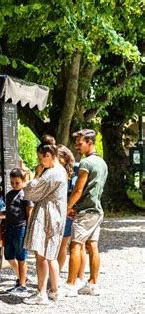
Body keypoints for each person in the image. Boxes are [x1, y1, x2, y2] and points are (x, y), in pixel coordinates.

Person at [22, 135, 68, 304]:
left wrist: (34, 176)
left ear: (48, 155)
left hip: (47, 215)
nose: (40, 162)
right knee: (51, 255)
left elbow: (30, 192)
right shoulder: (61, 170)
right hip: (56, 215)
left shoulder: (51, 174)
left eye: (41, 159)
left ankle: (41, 293)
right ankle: (55, 291)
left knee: (41, 254)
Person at [63, 129, 108, 297]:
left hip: (85, 212)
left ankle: (70, 285)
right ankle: (93, 284)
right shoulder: (102, 163)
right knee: (92, 246)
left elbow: (78, 189)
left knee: (75, 245)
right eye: (76, 143)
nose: (77, 146)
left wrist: (68, 207)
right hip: (97, 210)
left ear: (90, 142)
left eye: (80, 143)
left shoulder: (86, 164)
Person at [57, 145, 87, 280]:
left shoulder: (78, 168)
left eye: (57, 158)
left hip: (72, 210)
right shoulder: (56, 170)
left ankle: (79, 277)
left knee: (77, 245)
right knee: (63, 246)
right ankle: (56, 276)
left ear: (64, 157)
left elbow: (80, 190)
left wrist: (72, 207)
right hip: (62, 210)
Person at [4, 168, 34, 296]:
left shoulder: (25, 195)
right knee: (9, 256)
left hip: (20, 227)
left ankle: (22, 285)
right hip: (9, 227)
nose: (14, 185)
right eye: (12, 182)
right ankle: (22, 278)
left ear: (23, 181)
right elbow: (8, 211)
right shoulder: (9, 194)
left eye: (17, 182)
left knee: (21, 257)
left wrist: (29, 229)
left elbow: (29, 212)